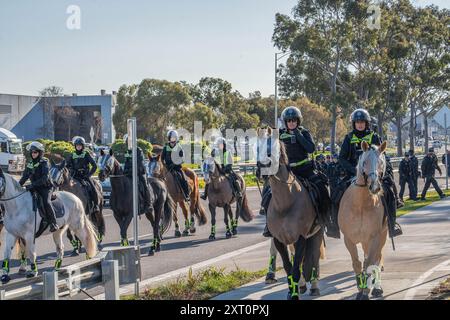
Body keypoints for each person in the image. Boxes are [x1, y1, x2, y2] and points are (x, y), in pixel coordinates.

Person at [259, 106, 331, 237]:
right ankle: (268, 224)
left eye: (294, 120)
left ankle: (325, 220)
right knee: (267, 191)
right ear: (285, 122)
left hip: (304, 169)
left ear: (298, 121)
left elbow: (311, 149)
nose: (291, 122)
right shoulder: (279, 134)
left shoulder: (304, 132)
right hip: (286, 171)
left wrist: (297, 134)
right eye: (289, 120)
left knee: (322, 188)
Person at [335, 108, 403, 238]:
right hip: (353, 174)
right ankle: (334, 224)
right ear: (353, 123)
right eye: (357, 122)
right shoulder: (349, 138)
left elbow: (382, 156)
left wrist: (380, 171)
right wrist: (355, 170)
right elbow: (342, 158)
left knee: (389, 191)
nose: (360, 124)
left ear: (367, 123)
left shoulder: (374, 136)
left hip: (374, 173)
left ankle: (392, 224)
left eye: (362, 122)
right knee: (336, 193)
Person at [19, 141, 59, 232]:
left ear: (40, 153)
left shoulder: (44, 162)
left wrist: (32, 185)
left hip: (46, 187)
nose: (33, 154)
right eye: (32, 152)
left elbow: (44, 178)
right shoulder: (30, 163)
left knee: (46, 202)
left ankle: (54, 223)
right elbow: (24, 177)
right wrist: (18, 186)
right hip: (34, 187)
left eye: (35, 152)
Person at [66, 136, 101, 213]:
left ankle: (95, 205)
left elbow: (94, 166)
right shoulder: (72, 155)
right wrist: (70, 171)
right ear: (75, 146)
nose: (78, 147)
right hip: (75, 176)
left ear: (83, 146)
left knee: (93, 188)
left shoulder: (86, 154)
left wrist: (88, 175)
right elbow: (67, 166)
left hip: (85, 176)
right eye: (77, 145)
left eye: (80, 145)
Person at [123, 135, 153, 214]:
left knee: (145, 184)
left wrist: (131, 170)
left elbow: (139, 163)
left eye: (129, 142)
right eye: (127, 142)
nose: (128, 143)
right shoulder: (127, 151)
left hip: (139, 172)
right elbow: (126, 162)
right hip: (129, 173)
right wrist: (125, 170)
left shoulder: (138, 150)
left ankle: (148, 203)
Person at [162, 130, 190, 202]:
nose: (172, 140)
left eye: (173, 138)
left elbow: (182, 158)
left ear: (176, 138)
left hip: (177, 168)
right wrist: (164, 165)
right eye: (170, 138)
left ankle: (186, 194)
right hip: (168, 168)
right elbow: (162, 158)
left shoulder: (179, 147)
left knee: (183, 179)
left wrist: (174, 163)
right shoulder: (166, 147)